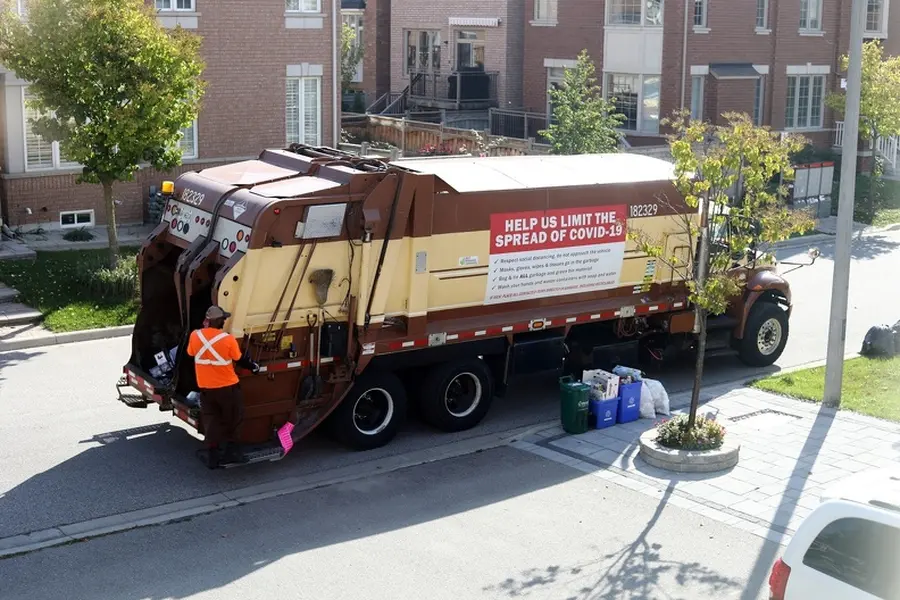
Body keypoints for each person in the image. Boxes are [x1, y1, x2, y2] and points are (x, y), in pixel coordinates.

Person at [187, 305, 260, 469]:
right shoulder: (228, 339)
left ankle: (212, 455)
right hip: (228, 389)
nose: (225, 321)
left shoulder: (195, 335)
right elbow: (239, 359)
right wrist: (253, 366)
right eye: (224, 319)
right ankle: (231, 453)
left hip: (206, 389)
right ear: (219, 321)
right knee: (234, 419)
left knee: (212, 420)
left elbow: (191, 353)